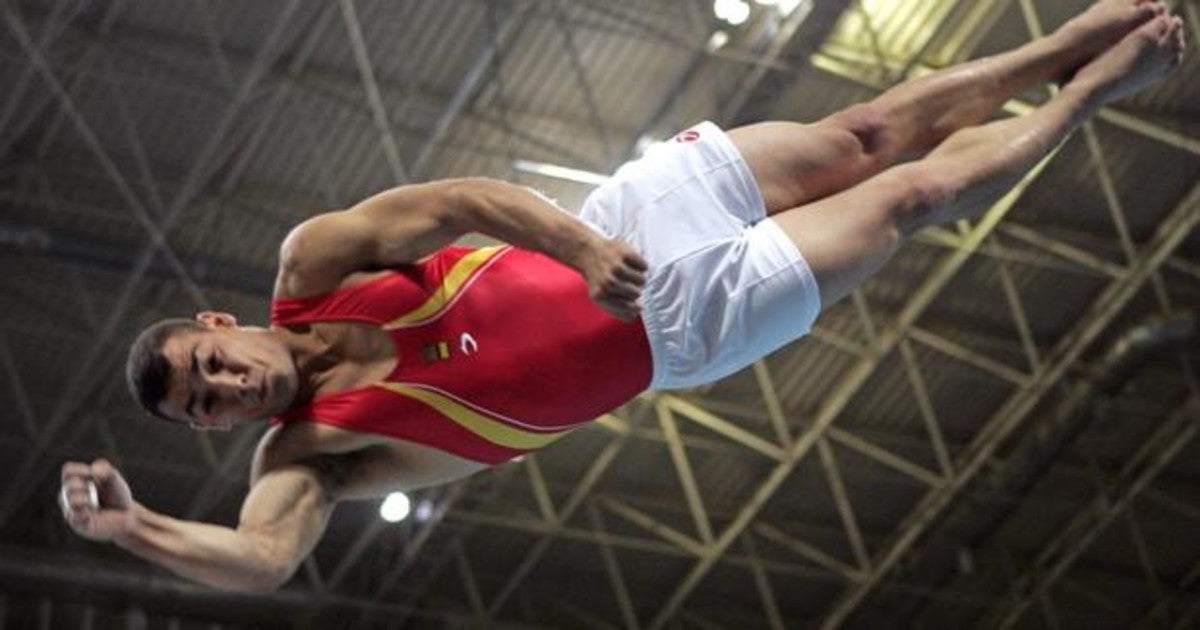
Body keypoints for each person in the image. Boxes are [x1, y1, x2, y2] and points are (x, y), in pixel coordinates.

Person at [61, 1, 1185, 593]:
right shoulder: (304, 458)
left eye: (206, 365)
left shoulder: (314, 263)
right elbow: (263, 562)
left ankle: (1060, 38)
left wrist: (584, 250)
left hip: (629, 223)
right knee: (906, 199)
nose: (222, 390)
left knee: (866, 132)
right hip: (682, 332)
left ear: (220, 326)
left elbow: (462, 197)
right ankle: (1088, 95)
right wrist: (133, 529)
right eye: (204, 409)